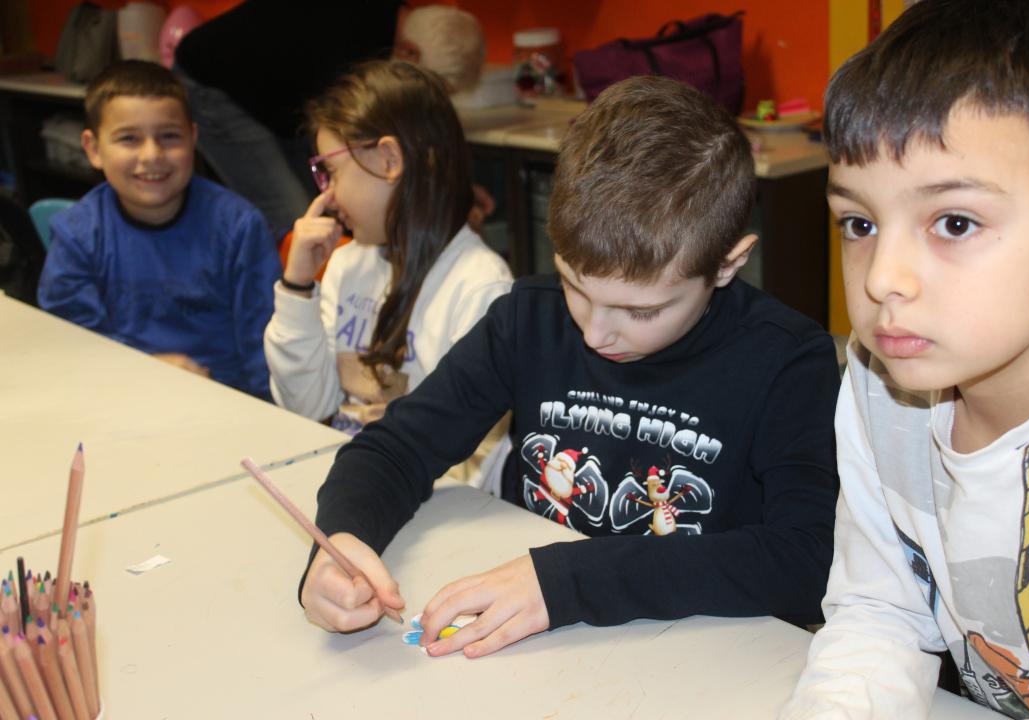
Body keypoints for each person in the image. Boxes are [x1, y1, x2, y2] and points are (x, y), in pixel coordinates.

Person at [297, 75, 841, 659]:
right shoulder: (529, 318)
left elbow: (806, 560)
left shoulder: (788, 361)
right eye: (574, 285)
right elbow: (397, 448)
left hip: (701, 658)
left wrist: (566, 582)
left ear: (728, 265)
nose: (594, 332)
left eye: (641, 311)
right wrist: (340, 541)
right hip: (540, 652)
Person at [780, 1, 1029, 718]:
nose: (883, 278)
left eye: (954, 222)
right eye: (859, 223)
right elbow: (880, 608)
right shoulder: (881, 380)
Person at [263, 60, 513, 480]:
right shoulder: (347, 263)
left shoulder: (480, 287)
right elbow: (306, 406)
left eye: (331, 172)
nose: (327, 193)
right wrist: (297, 288)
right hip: (347, 480)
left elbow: (475, 465)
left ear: (388, 159)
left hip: (414, 499)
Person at [37, 60, 279, 400]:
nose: (151, 155)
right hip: (116, 392)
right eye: (129, 138)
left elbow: (265, 346)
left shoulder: (239, 228)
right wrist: (145, 369)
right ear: (93, 149)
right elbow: (73, 340)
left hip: (226, 400)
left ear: (193, 138)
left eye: (169, 136)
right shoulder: (77, 233)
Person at [173, 1, 485, 237]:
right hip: (213, 86)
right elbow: (371, 140)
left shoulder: (382, 17)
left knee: (326, 211)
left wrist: (451, 183)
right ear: (409, 54)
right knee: (298, 219)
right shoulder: (354, 47)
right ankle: (294, 292)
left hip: (267, 92)